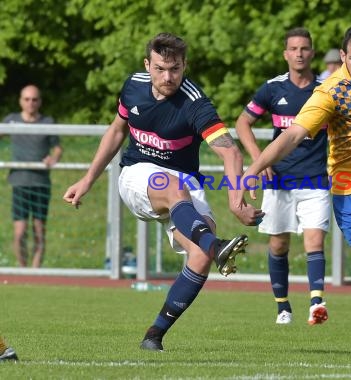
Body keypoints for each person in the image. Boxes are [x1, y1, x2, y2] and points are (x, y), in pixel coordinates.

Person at [63, 32, 262, 352]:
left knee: (200, 255)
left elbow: (232, 154)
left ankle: (154, 334)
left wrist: (236, 202)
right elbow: (116, 131)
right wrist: (88, 180)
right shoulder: (133, 86)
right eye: (160, 69)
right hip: (137, 176)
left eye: (175, 69)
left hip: (183, 182)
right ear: (147, 64)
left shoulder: (195, 102)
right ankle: (217, 246)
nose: (168, 77)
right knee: (174, 190)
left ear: (185, 66)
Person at [236, 24, 351, 355]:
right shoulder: (330, 92)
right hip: (348, 183)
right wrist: (253, 169)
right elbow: (291, 136)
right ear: (344, 57)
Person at [235, 27, 329, 325]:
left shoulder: (326, 88)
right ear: (285, 54)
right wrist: (259, 162)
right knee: (279, 245)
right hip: (279, 182)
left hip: (316, 180)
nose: (299, 54)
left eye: (305, 48)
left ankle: (316, 302)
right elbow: (242, 123)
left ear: (312, 53)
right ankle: (283, 307)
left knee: (315, 240)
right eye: (294, 49)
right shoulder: (273, 88)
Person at [2, 85, 63, 268]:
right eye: (27, 99)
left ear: (40, 101)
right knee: (20, 232)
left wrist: (53, 158)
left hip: (41, 183)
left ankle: (36, 272)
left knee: (39, 230)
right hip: (19, 182)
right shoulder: (12, 120)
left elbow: (58, 148)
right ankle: (23, 270)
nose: (31, 103)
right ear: (21, 101)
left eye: (34, 99)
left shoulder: (47, 122)